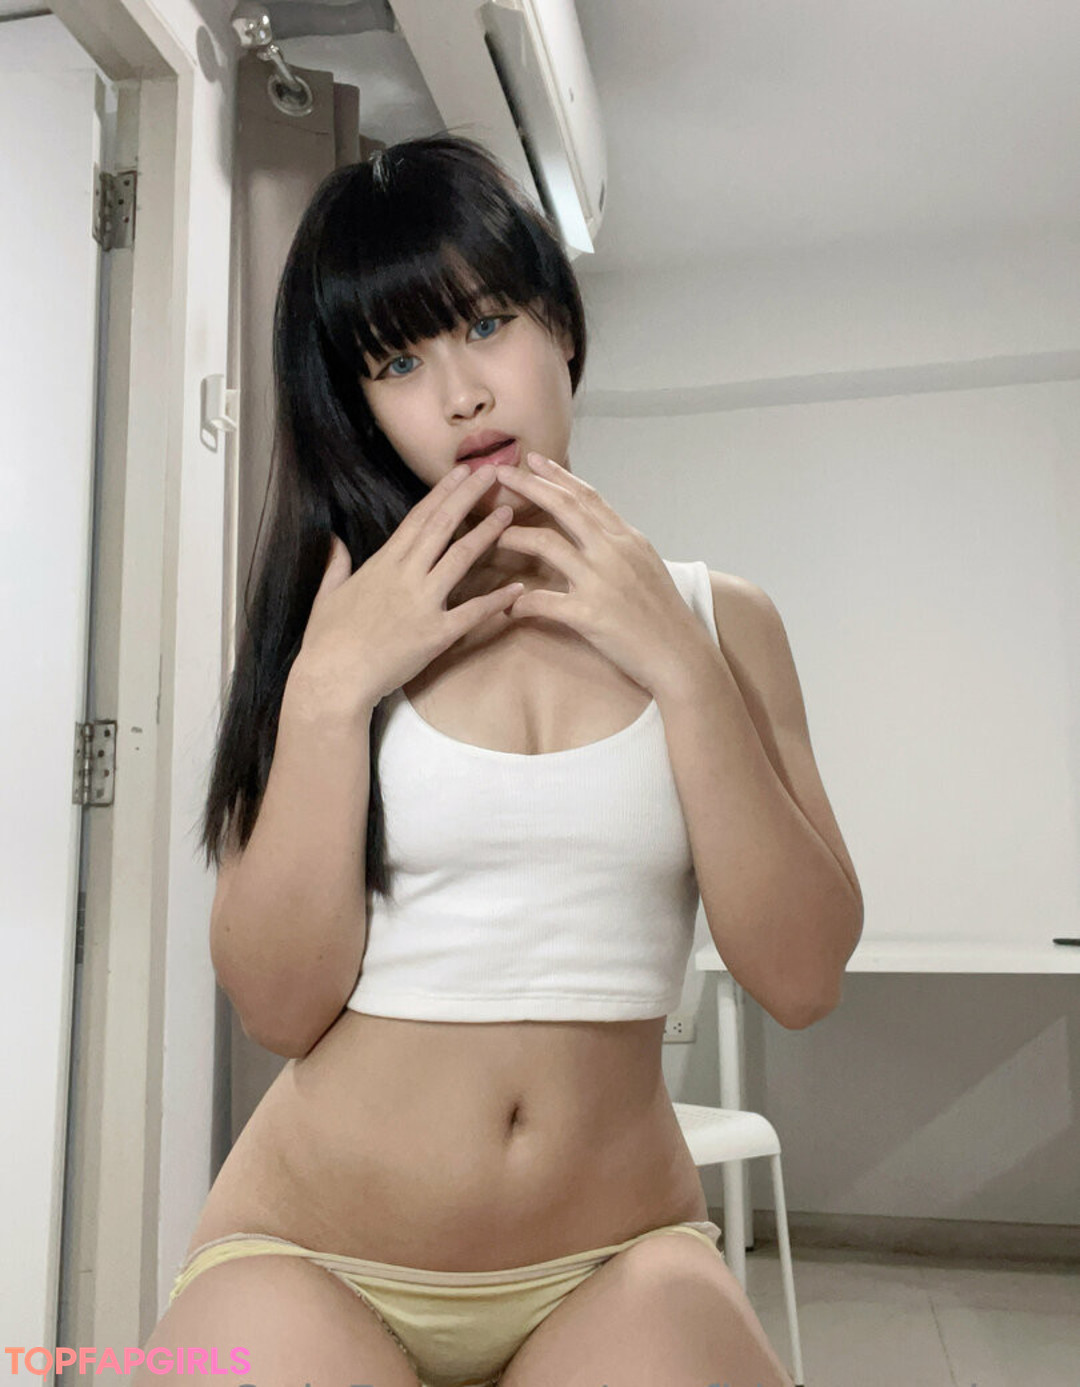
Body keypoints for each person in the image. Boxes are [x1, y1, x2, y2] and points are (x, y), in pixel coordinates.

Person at [138, 134, 862, 1387]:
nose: (461, 394)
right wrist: (328, 694)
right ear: (361, 405)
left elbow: (802, 976)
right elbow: (276, 1006)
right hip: (312, 1253)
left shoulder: (723, 620)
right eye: (398, 362)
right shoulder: (335, 623)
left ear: (560, 325)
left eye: (485, 324)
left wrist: (681, 667)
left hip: (615, 1260)